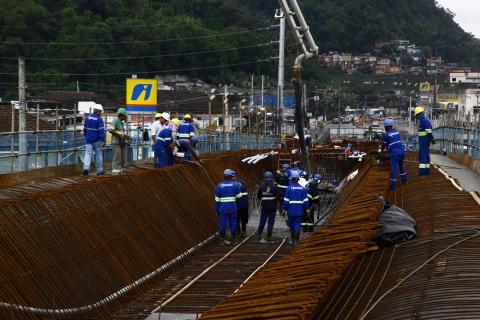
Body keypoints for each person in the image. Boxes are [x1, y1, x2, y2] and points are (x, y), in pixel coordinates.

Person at [215, 169, 242, 246]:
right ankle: (234, 240)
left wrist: (217, 210)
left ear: (224, 176)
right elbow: (239, 196)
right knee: (233, 223)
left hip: (222, 208)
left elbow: (217, 200)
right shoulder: (235, 185)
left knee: (222, 224)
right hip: (232, 207)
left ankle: (222, 240)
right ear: (231, 176)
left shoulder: (219, 186)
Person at [282, 171, 309, 245]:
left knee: (291, 224)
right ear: (298, 179)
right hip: (300, 210)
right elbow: (305, 201)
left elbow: (286, 201)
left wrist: (284, 209)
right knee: (297, 223)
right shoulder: (302, 189)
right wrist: (307, 208)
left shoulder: (288, 189)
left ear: (292, 179)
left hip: (291, 210)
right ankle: (297, 239)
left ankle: (292, 238)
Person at [382, 118, 408, 190]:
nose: (385, 128)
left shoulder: (386, 135)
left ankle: (392, 186)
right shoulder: (397, 132)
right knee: (401, 165)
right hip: (402, 151)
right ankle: (404, 180)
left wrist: (381, 151)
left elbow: (383, 145)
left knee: (394, 168)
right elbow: (394, 141)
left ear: (386, 127)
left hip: (395, 153)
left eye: (385, 127)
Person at [257, 171, 281, 244]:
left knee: (262, 221)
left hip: (264, 207)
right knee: (270, 222)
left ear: (265, 178)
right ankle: (269, 236)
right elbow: (280, 194)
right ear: (271, 178)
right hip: (272, 207)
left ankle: (259, 235)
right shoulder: (274, 186)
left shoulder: (261, 186)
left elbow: (259, 196)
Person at [82, 107, 105, 176]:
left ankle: (86, 168)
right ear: (98, 111)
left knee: (88, 154)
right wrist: (103, 140)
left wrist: (86, 137)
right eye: (100, 111)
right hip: (97, 140)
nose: (101, 113)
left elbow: (85, 129)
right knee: (98, 155)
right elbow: (101, 131)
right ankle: (99, 170)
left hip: (88, 139)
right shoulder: (99, 119)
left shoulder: (88, 118)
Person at [109, 108, 131, 175]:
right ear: (121, 115)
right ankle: (115, 173)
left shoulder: (120, 123)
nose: (125, 117)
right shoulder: (115, 121)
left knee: (120, 158)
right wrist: (120, 135)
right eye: (125, 116)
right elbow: (111, 130)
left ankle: (119, 172)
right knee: (116, 158)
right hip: (116, 143)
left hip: (120, 143)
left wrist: (126, 136)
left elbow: (120, 133)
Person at [414, 106, 435, 175]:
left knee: (422, 155)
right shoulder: (422, 121)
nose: (416, 117)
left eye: (417, 115)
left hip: (424, 141)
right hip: (423, 141)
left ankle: (422, 171)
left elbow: (429, 131)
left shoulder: (424, 121)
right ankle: (426, 170)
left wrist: (432, 139)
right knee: (425, 155)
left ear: (420, 114)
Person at [233, 171, 249, 238]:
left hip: (237, 205)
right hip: (245, 204)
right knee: (244, 219)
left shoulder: (232, 183)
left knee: (237, 219)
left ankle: (238, 232)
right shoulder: (242, 181)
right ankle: (244, 231)